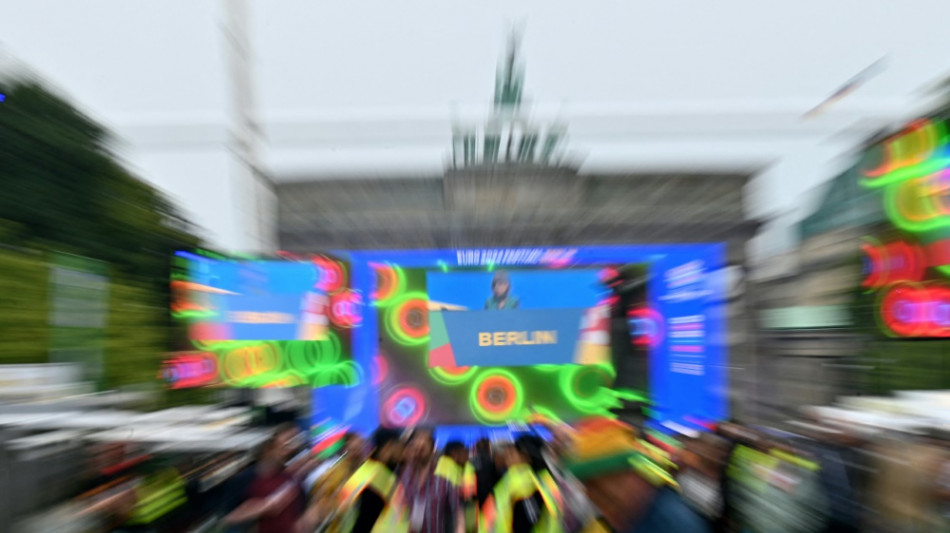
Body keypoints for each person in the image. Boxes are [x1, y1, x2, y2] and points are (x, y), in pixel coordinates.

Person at [222, 423, 307, 533]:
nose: (289, 450)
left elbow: (298, 521)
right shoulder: (244, 480)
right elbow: (227, 520)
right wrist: (263, 507)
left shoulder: (293, 481)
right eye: (285, 444)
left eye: (293, 443)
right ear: (268, 448)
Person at [339, 428, 407, 533]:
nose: (402, 451)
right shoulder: (378, 476)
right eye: (400, 446)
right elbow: (364, 522)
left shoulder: (366, 469)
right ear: (389, 447)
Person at [299, 432, 367, 533]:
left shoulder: (367, 470)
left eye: (360, 447)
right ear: (345, 448)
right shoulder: (334, 472)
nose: (357, 452)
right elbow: (321, 499)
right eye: (353, 449)